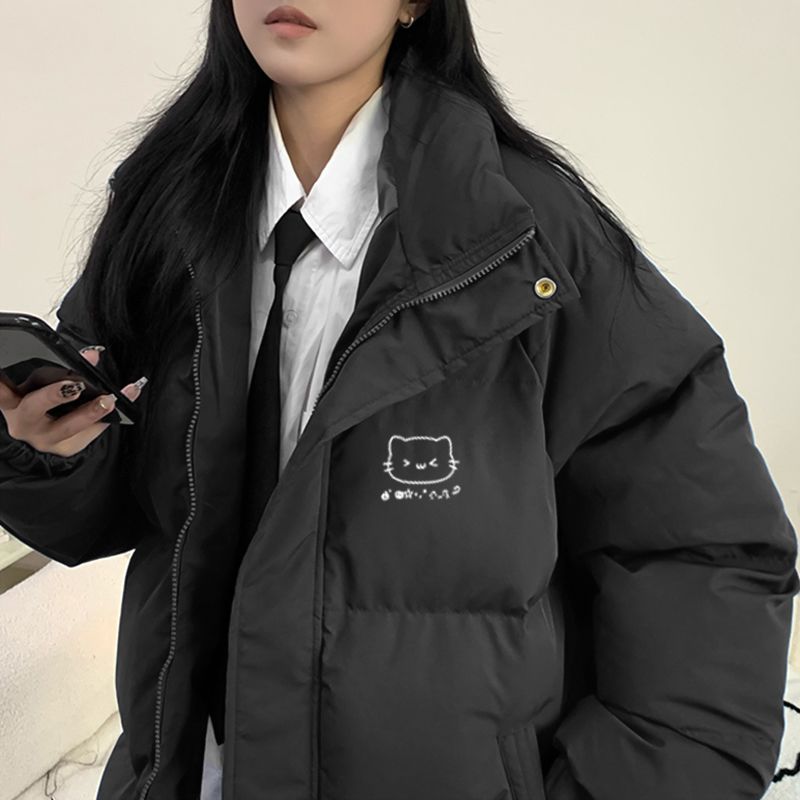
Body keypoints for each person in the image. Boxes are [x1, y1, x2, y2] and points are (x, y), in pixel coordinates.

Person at [0, 2, 797, 799]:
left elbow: (702, 547)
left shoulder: (527, 237)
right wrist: (46, 454)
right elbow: (117, 508)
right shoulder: (165, 208)